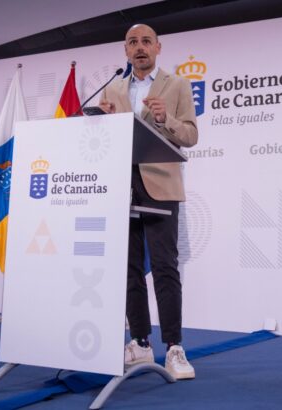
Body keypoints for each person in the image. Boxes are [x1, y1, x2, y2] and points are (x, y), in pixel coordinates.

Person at [99, 24, 198, 380]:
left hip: (161, 186)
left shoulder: (177, 85)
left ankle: (174, 348)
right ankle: (140, 343)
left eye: (145, 42)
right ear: (125, 51)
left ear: (158, 47)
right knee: (128, 269)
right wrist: (101, 123)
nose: (139, 48)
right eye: (132, 43)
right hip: (121, 187)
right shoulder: (113, 87)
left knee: (164, 267)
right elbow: (107, 141)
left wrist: (164, 118)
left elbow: (191, 135)